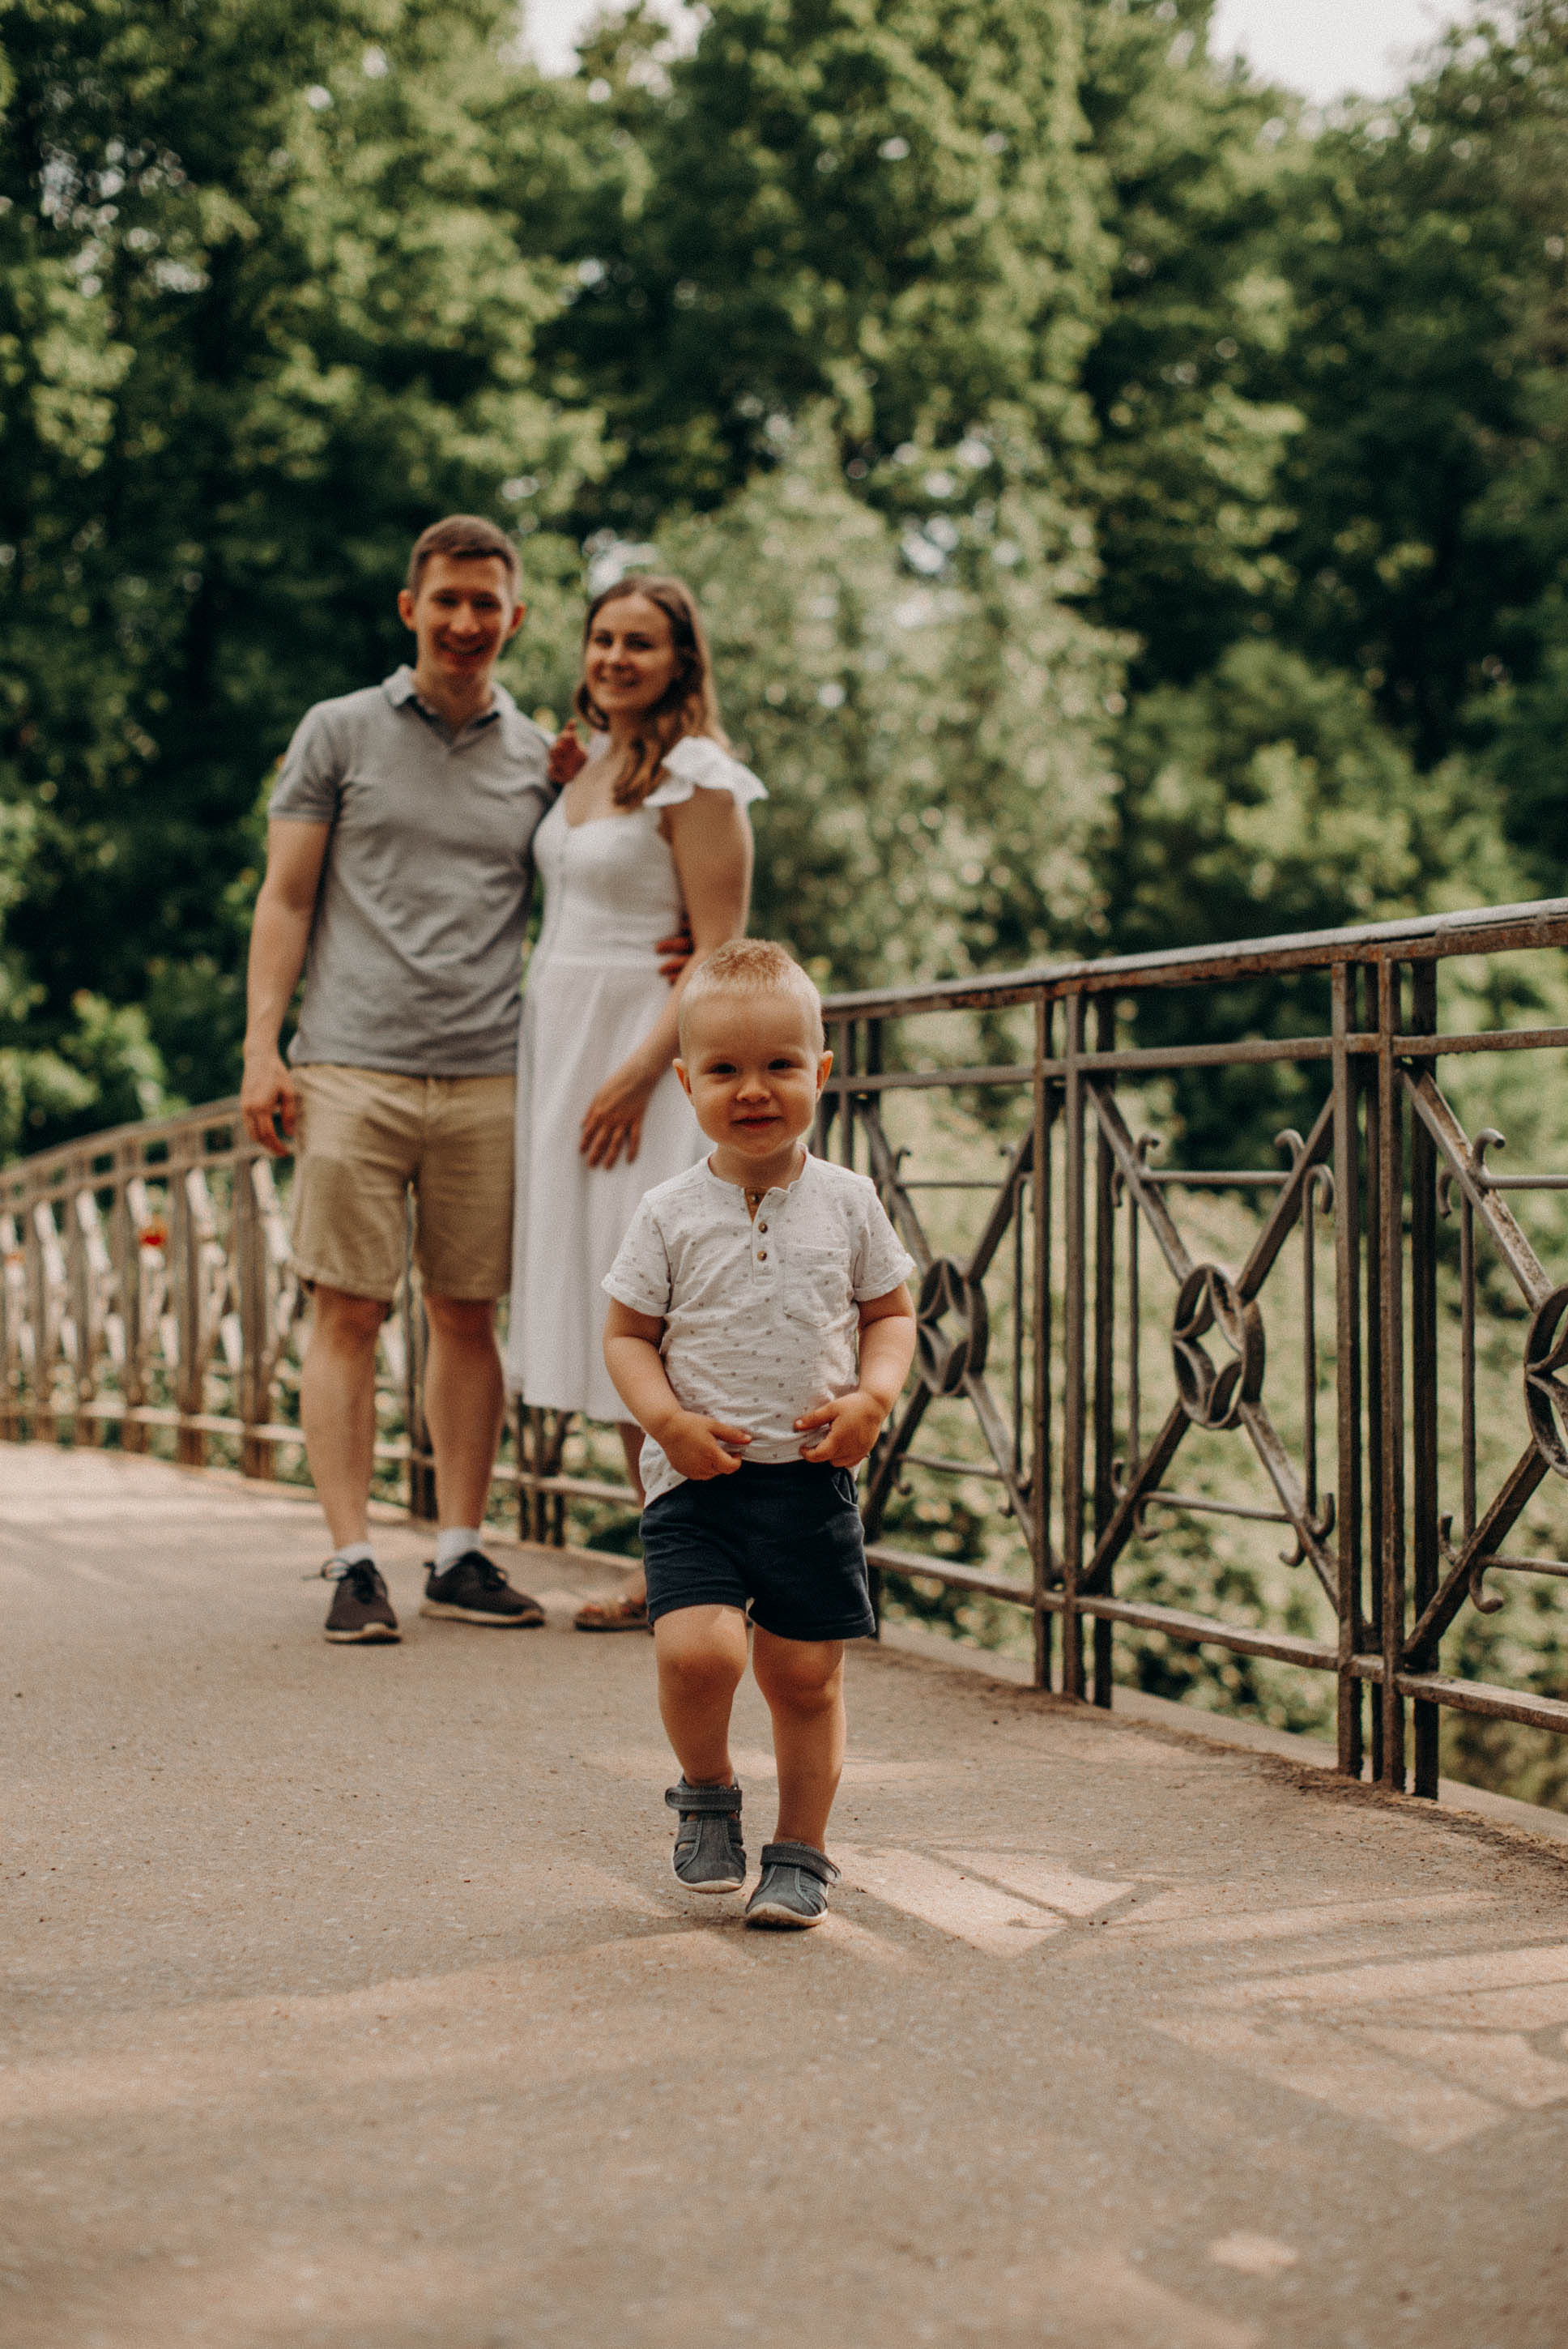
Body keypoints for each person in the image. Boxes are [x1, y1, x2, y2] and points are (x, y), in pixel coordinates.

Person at [240, 517, 684, 1645]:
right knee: (346, 1309)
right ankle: (350, 1560)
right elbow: (286, 898)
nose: (466, 621)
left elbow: (606, 867)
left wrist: (679, 953)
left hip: (496, 1074)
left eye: (488, 604)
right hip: (350, 1062)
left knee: (466, 1315)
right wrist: (261, 1046)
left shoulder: (547, 760)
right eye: (446, 600)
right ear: (411, 608)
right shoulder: (335, 733)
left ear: (515, 619)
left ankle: (456, 1551)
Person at [602, 940, 918, 1929]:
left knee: (804, 1676)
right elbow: (625, 1336)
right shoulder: (665, 1213)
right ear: (686, 1081)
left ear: (820, 1073)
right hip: (698, 1480)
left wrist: (873, 1397)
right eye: (726, 1070)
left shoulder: (849, 1200)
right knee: (698, 1652)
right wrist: (667, 1423)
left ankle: (802, 1852)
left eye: (780, 1065)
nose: (754, 1090)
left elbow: (891, 1313)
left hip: (809, 1479)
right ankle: (705, 1792)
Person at [505, 575, 761, 1632]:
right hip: (561, 1043)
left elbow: (718, 953)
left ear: (681, 662)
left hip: (645, 1063)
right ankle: (673, 1558)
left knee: (661, 1304)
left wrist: (639, 1071)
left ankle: (714, 1561)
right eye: (603, 639)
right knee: (614, 1307)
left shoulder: (699, 779)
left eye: (640, 644)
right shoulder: (588, 764)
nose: (615, 657)